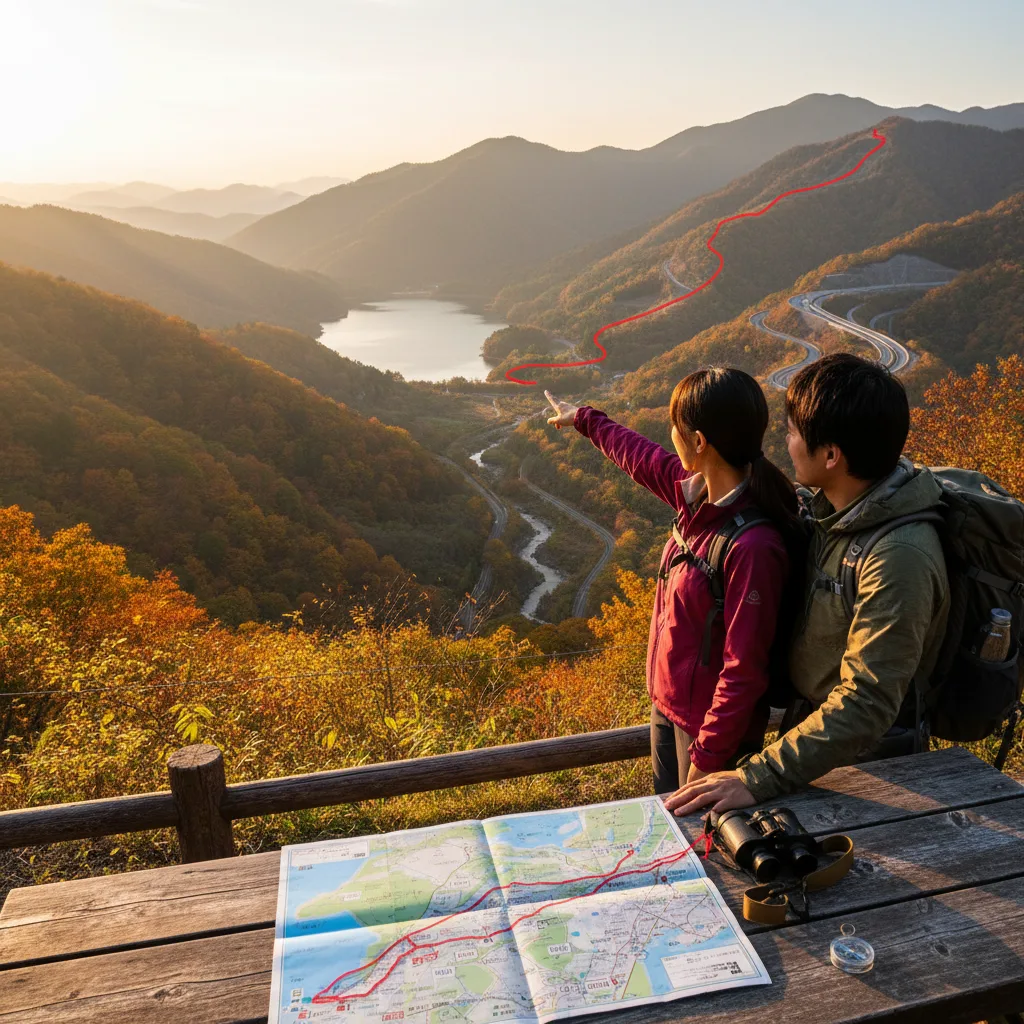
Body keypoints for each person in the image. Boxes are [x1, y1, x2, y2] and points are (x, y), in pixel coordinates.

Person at [665, 353, 951, 817]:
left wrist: (756, 777)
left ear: (832, 455)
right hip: (813, 738)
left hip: (871, 766)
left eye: (794, 431)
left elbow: (867, 701)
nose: (786, 441)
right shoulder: (830, 514)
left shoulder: (898, 557)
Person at [545, 368, 800, 793]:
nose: (670, 436)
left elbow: (744, 671)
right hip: (668, 709)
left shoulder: (753, 546)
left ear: (699, 442)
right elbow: (639, 456)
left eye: (676, 428)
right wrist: (584, 419)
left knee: (706, 851)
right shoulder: (698, 498)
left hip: (711, 736)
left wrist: (706, 759)